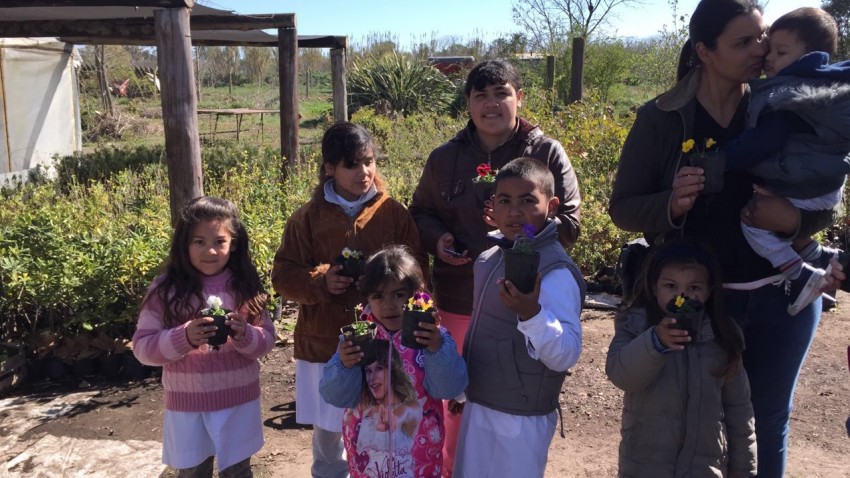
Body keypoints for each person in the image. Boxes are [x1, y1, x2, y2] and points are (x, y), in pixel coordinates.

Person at [608, 1, 845, 475]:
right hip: (706, 303)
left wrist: (792, 223)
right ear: (705, 51)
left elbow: (822, 186)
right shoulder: (662, 118)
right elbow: (624, 208)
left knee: (769, 418)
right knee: (704, 424)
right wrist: (670, 206)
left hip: (786, 297)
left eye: (762, 37)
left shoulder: (781, 99)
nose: (760, 50)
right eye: (744, 41)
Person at [408, 59, 581, 477]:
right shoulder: (445, 157)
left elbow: (570, 223)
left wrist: (516, 228)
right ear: (467, 102)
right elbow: (422, 211)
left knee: (512, 405)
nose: (491, 104)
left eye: (501, 93)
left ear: (519, 97)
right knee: (456, 403)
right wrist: (439, 240)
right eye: (480, 95)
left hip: (523, 303)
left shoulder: (545, 152)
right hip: (457, 298)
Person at [272, 122, 427, 478]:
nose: (365, 172)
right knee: (329, 432)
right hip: (324, 342)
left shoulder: (393, 213)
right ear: (329, 168)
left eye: (369, 161)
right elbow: (283, 275)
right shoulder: (306, 219)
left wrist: (387, 286)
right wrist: (321, 280)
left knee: (382, 427)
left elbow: (419, 272)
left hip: (386, 340)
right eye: (353, 164)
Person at [452, 158, 584, 478]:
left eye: (527, 201)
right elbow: (483, 335)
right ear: (492, 206)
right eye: (505, 201)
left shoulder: (555, 272)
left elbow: (565, 353)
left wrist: (531, 313)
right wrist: (462, 389)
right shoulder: (489, 259)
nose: (514, 212)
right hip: (480, 403)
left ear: (551, 206)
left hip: (522, 416)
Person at [133, 196, 276, 477]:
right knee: (193, 473)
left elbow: (267, 338)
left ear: (233, 243)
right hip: (188, 407)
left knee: (237, 472)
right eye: (199, 241)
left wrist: (245, 335)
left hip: (238, 402)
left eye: (219, 242)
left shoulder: (245, 285)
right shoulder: (165, 289)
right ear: (184, 243)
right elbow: (142, 347)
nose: (209, 251)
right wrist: (183, 337)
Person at [723, 7, 850, 315]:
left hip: (808, 189)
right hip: (824, 185)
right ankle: (819, 255)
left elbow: (761, 143)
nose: (767, 57)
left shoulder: (791, 98)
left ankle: (801, 273)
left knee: (753, 223)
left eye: (780, 52)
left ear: (809, 58)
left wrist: (725, 156)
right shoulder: (827, 90)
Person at [606, 238, 757, 477]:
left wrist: (745, 471)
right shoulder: (635, 325)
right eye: (671, 286)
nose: (682, 296)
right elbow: (621, 374)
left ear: (708, 292)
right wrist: (655, 343)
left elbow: (739, 410)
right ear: (654, 287)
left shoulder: (722, 336)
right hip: (645, 467)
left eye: (694, 288)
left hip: (706, 468)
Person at [319, 245, 468, 478]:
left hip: (420, 460)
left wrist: (437, 348)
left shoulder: (430, 336)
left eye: (398, 295)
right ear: (366, 296)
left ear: (416, 294)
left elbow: (450, 388)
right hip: (367, 461)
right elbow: (335, 396)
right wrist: (344, 364)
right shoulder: (357, 338)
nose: (388, 305)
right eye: (378, 296)